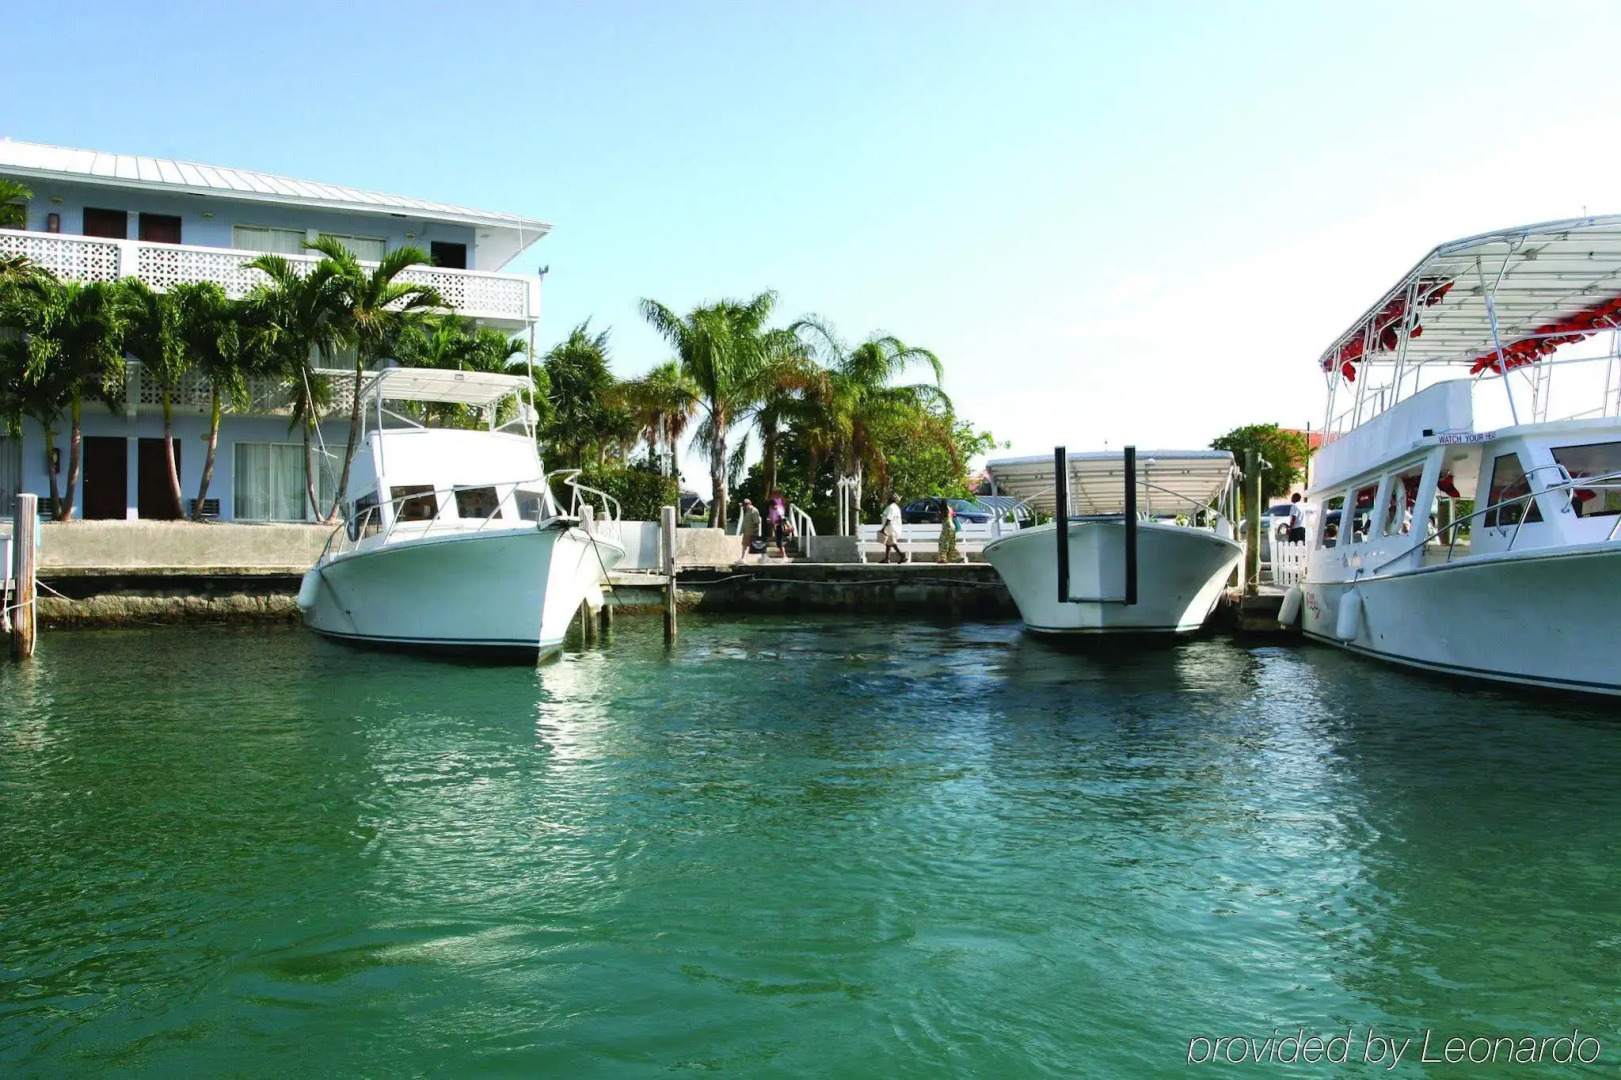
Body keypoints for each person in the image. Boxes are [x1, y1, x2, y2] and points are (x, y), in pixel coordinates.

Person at [879, 493, 906, 563]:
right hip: (893, 528)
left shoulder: (891, 507)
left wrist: (883, 528)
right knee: (888, 544)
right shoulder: (895, 507)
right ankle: (886, 559)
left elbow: (889, 519)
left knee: (892, 543)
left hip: (891, 528)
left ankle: (902, 556)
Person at [738, 498, 762, 564]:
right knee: (744, 545)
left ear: (748, 504)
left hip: (751, 532)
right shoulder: (747, 511)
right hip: (746, 531)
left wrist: (756, 533)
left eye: (744, 505)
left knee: (755, 545)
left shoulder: (754, 510)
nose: (744, 507)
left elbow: (756, 522)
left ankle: (762, 557)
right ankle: (742, 558)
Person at [767, 489, 789, 558]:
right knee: (779, 537)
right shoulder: (779, 502)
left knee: (779, 539)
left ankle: (784, 555)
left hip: (777, 520)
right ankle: (782, 552)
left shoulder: (776, 502)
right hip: (777, 519)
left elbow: (774, 509)